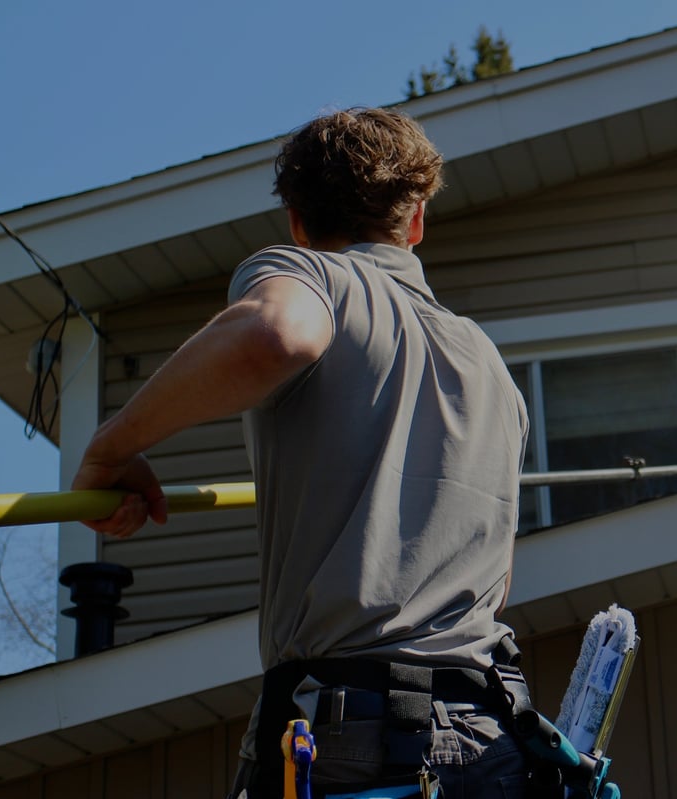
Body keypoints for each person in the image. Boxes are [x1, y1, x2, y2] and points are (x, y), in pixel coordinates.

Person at [72, 107, 531, 798]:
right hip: (493, 737)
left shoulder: (309, 274)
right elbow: (497, 585)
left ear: (296, 219)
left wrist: (109, 449)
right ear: (415, 222)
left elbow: (279, 335)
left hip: (352, 734)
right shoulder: (491, 367)